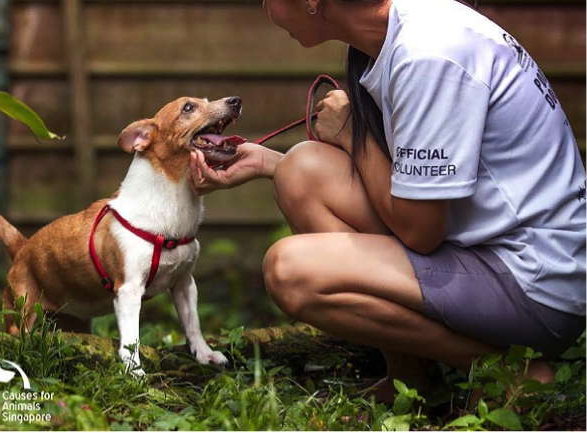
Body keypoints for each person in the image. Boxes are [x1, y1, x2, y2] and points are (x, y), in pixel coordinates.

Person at [187, 0, 587, 400]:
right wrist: (265, 162)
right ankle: (412, 378)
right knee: (301, 172)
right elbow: (409, 185)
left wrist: (347, 133)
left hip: (535, 284)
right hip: (488, 251)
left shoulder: (427, 54)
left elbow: (420, 232)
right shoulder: (397, 33)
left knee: (290, 270)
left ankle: (506, 372)